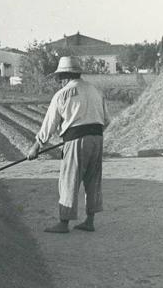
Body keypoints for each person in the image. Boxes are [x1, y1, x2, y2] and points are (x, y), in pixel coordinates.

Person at [27, 56, 109, 234]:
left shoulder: (62, 94)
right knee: (93, 180)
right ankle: (90, 221)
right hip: (97, 138)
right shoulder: (95, 91)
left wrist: (36, 146)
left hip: (76, 141)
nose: (59, 80)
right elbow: (107, 120)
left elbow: (49, 124)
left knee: (69, 180)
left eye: (60, 77)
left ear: (64, 75)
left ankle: (64, 223)